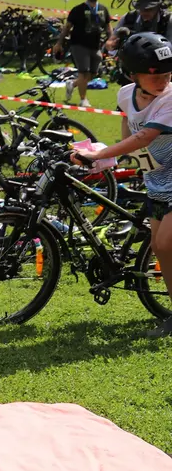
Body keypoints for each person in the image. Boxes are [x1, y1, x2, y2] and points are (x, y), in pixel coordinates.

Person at [70, 32, 172, 336]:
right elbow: (129, 123)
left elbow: (144, 137)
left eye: (168, 74)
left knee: (165, 243)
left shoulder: (170, 100)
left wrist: (102, 154)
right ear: (132, 74)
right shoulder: (126, 94)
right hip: (156, 181)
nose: (163, 81)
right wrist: (118, 149)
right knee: (159, 247)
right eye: (155, 76)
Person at [55, 0, 111, 108]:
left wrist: (111, 40)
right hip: (79, 44)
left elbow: (108, 27)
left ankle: (72, 84)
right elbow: (67, 27)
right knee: (84, 73)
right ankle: (83, 99)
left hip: (95, 45)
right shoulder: (78, 9)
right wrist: (59, 43)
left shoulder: (103, 9)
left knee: (93, 74)